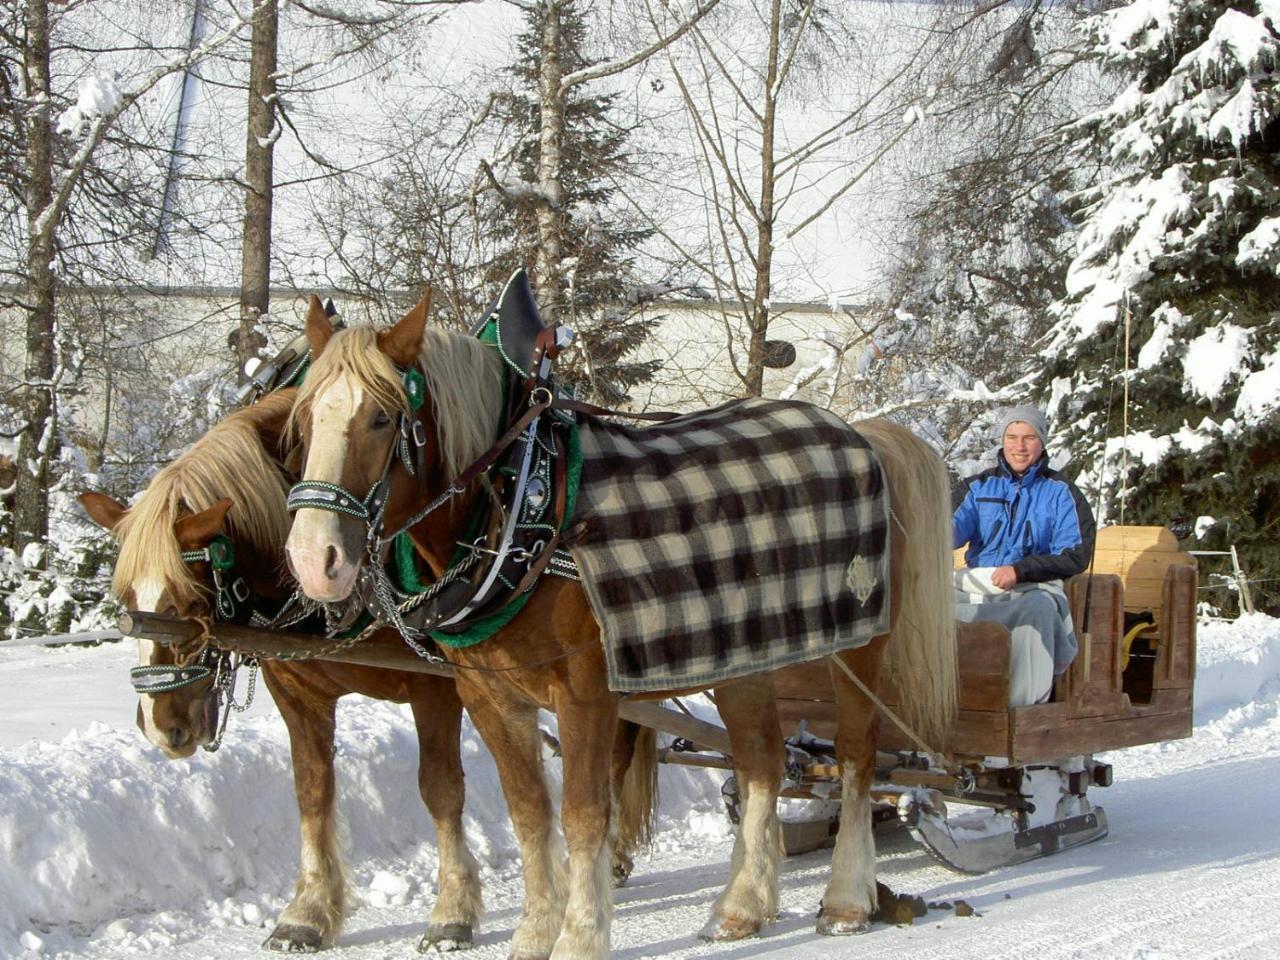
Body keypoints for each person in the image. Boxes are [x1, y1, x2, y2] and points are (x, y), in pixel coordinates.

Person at [952, 405, 1096, 706]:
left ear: (1041, 442)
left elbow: (1075, 555)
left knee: (1039, 610)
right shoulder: (977, 488)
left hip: (1032, 586)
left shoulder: (1061, 492)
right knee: (928, 605)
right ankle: (945, 698)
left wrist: (1020, 569)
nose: (1019, 446)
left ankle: (1021, 710)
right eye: (1012, 437)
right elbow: (945, 532)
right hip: (979, 582)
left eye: (1028, 437)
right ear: (1002, 441)